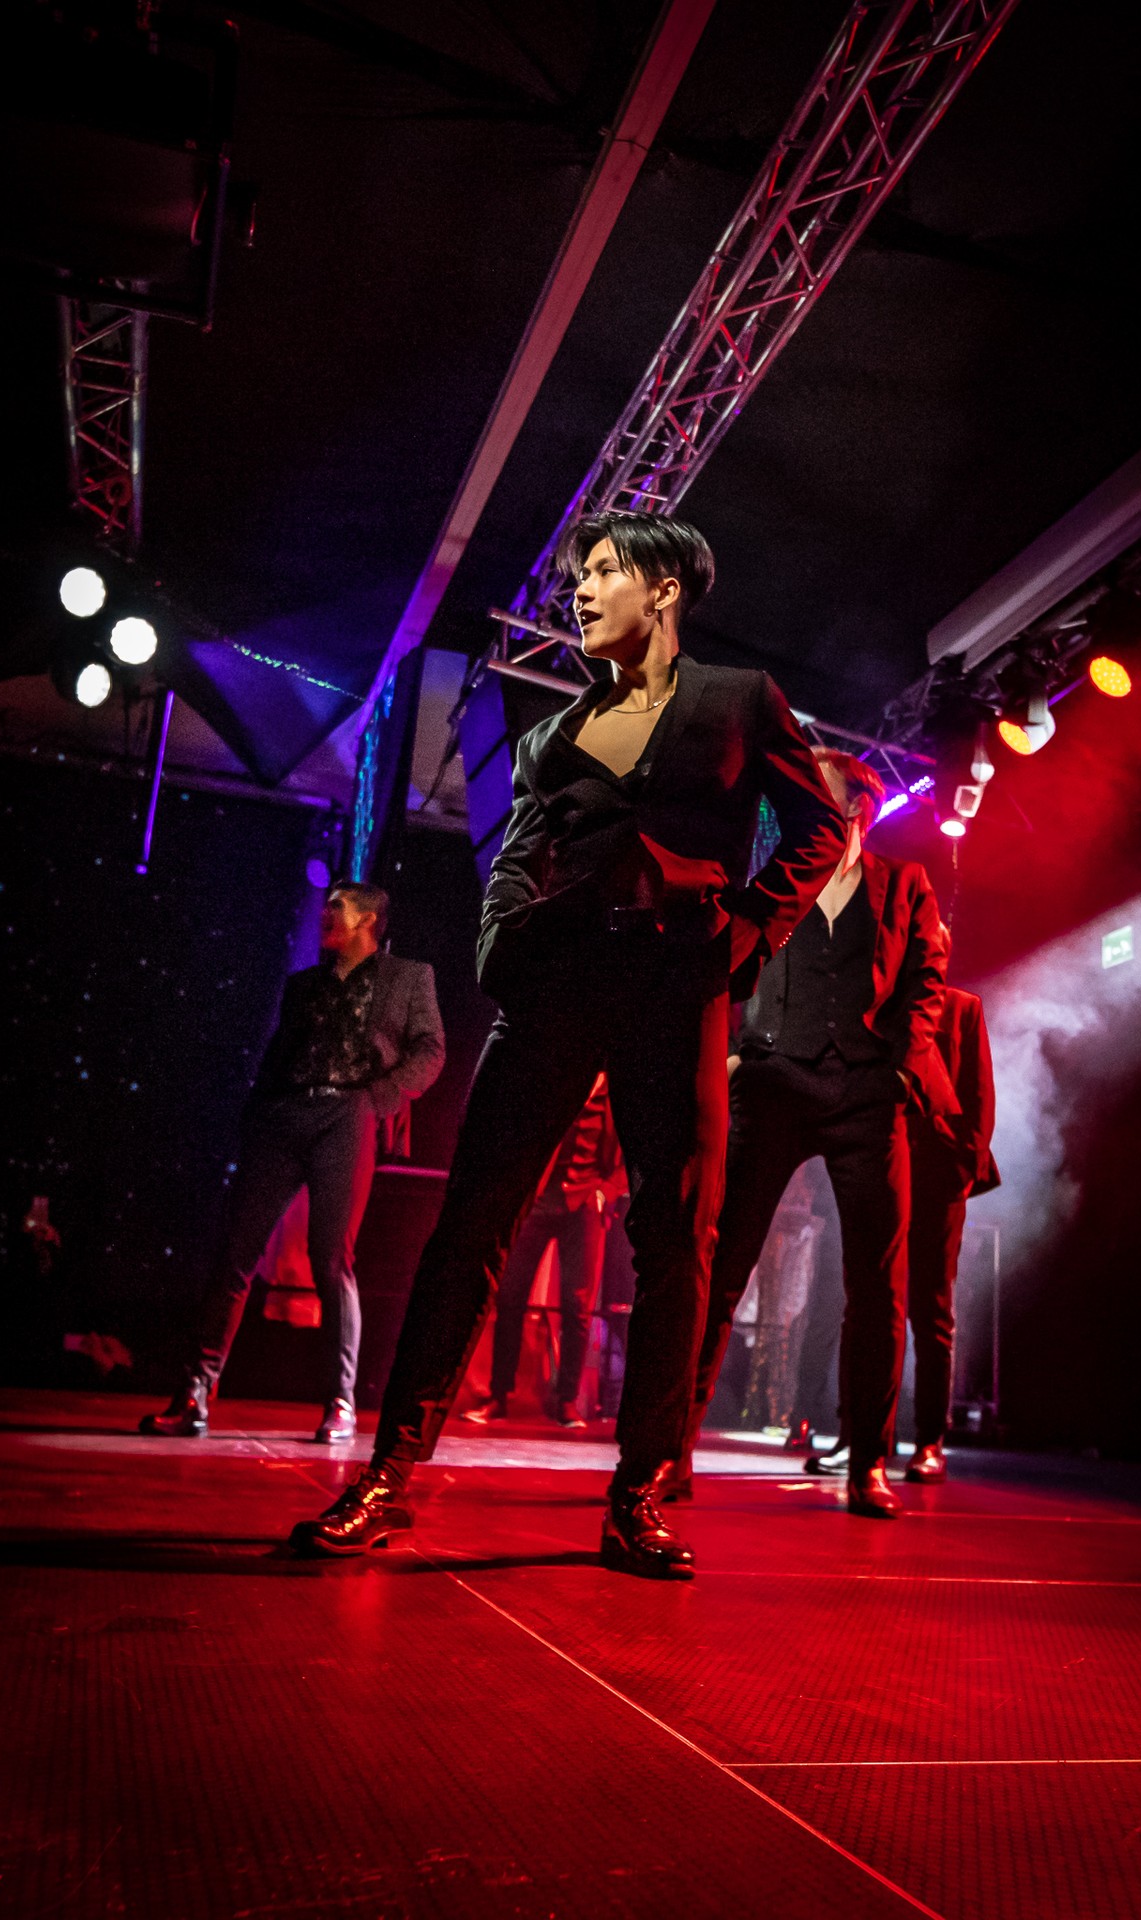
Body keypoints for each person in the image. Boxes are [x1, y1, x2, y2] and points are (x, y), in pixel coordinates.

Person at [289, 510, 845, 1575]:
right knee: (469, 1223)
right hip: (554, 992)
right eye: (579, 575)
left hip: (677, 990)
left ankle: (638, 1496)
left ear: (663, 589)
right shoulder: (551, 739)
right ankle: (387, 1476)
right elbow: (512, 861)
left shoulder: (740, 700)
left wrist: (742, 936)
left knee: (674, 1237)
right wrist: (503, 948)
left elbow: (819, 828)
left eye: (601, 572)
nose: (580, 592)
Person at [681, 749, 955, 1518]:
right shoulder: (773, 879)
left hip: (866, 1093)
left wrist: (898, 1068)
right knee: (719, 1265)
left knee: (877, 1284)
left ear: (857, 808)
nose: (798, 799)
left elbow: (925, 980)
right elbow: (718, 963)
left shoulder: (905, 883)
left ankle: (866, 1462)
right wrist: (730, 1052)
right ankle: (668, 1448)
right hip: (772, 1082)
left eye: (818, 790)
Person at [139, 882, 445, 1444]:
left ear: (368, 918)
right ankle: (195, 1393)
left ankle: (340, 1402)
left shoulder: (408, 976)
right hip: (284, 1115)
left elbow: (431, 1050)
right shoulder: (303, 984)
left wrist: (378, 1099)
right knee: (235, 1252)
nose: (325, 913)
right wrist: (258, 1114)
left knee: (330, 1259)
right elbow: (279, 1054)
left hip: (347, 1115)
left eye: (337, 906)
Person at [463, 1072, 624, 1428]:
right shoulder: (556, 1077)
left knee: (577, 1306)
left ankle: (566, 1401)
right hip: (537, 1201)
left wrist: (606, 1192)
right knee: (510, 1296)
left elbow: (633, 1150)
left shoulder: (616, 1092)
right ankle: (499, 1396)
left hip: (584, 1204)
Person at [904, 951, 1000, 1482]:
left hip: (940, 1174)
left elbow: (980, 1092)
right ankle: (860, 1434)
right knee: (869, 1302)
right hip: (888, 1164)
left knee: (933, 1308)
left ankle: (929, 1441)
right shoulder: (886, 1001)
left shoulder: (963, 1008)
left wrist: (965, 1166)